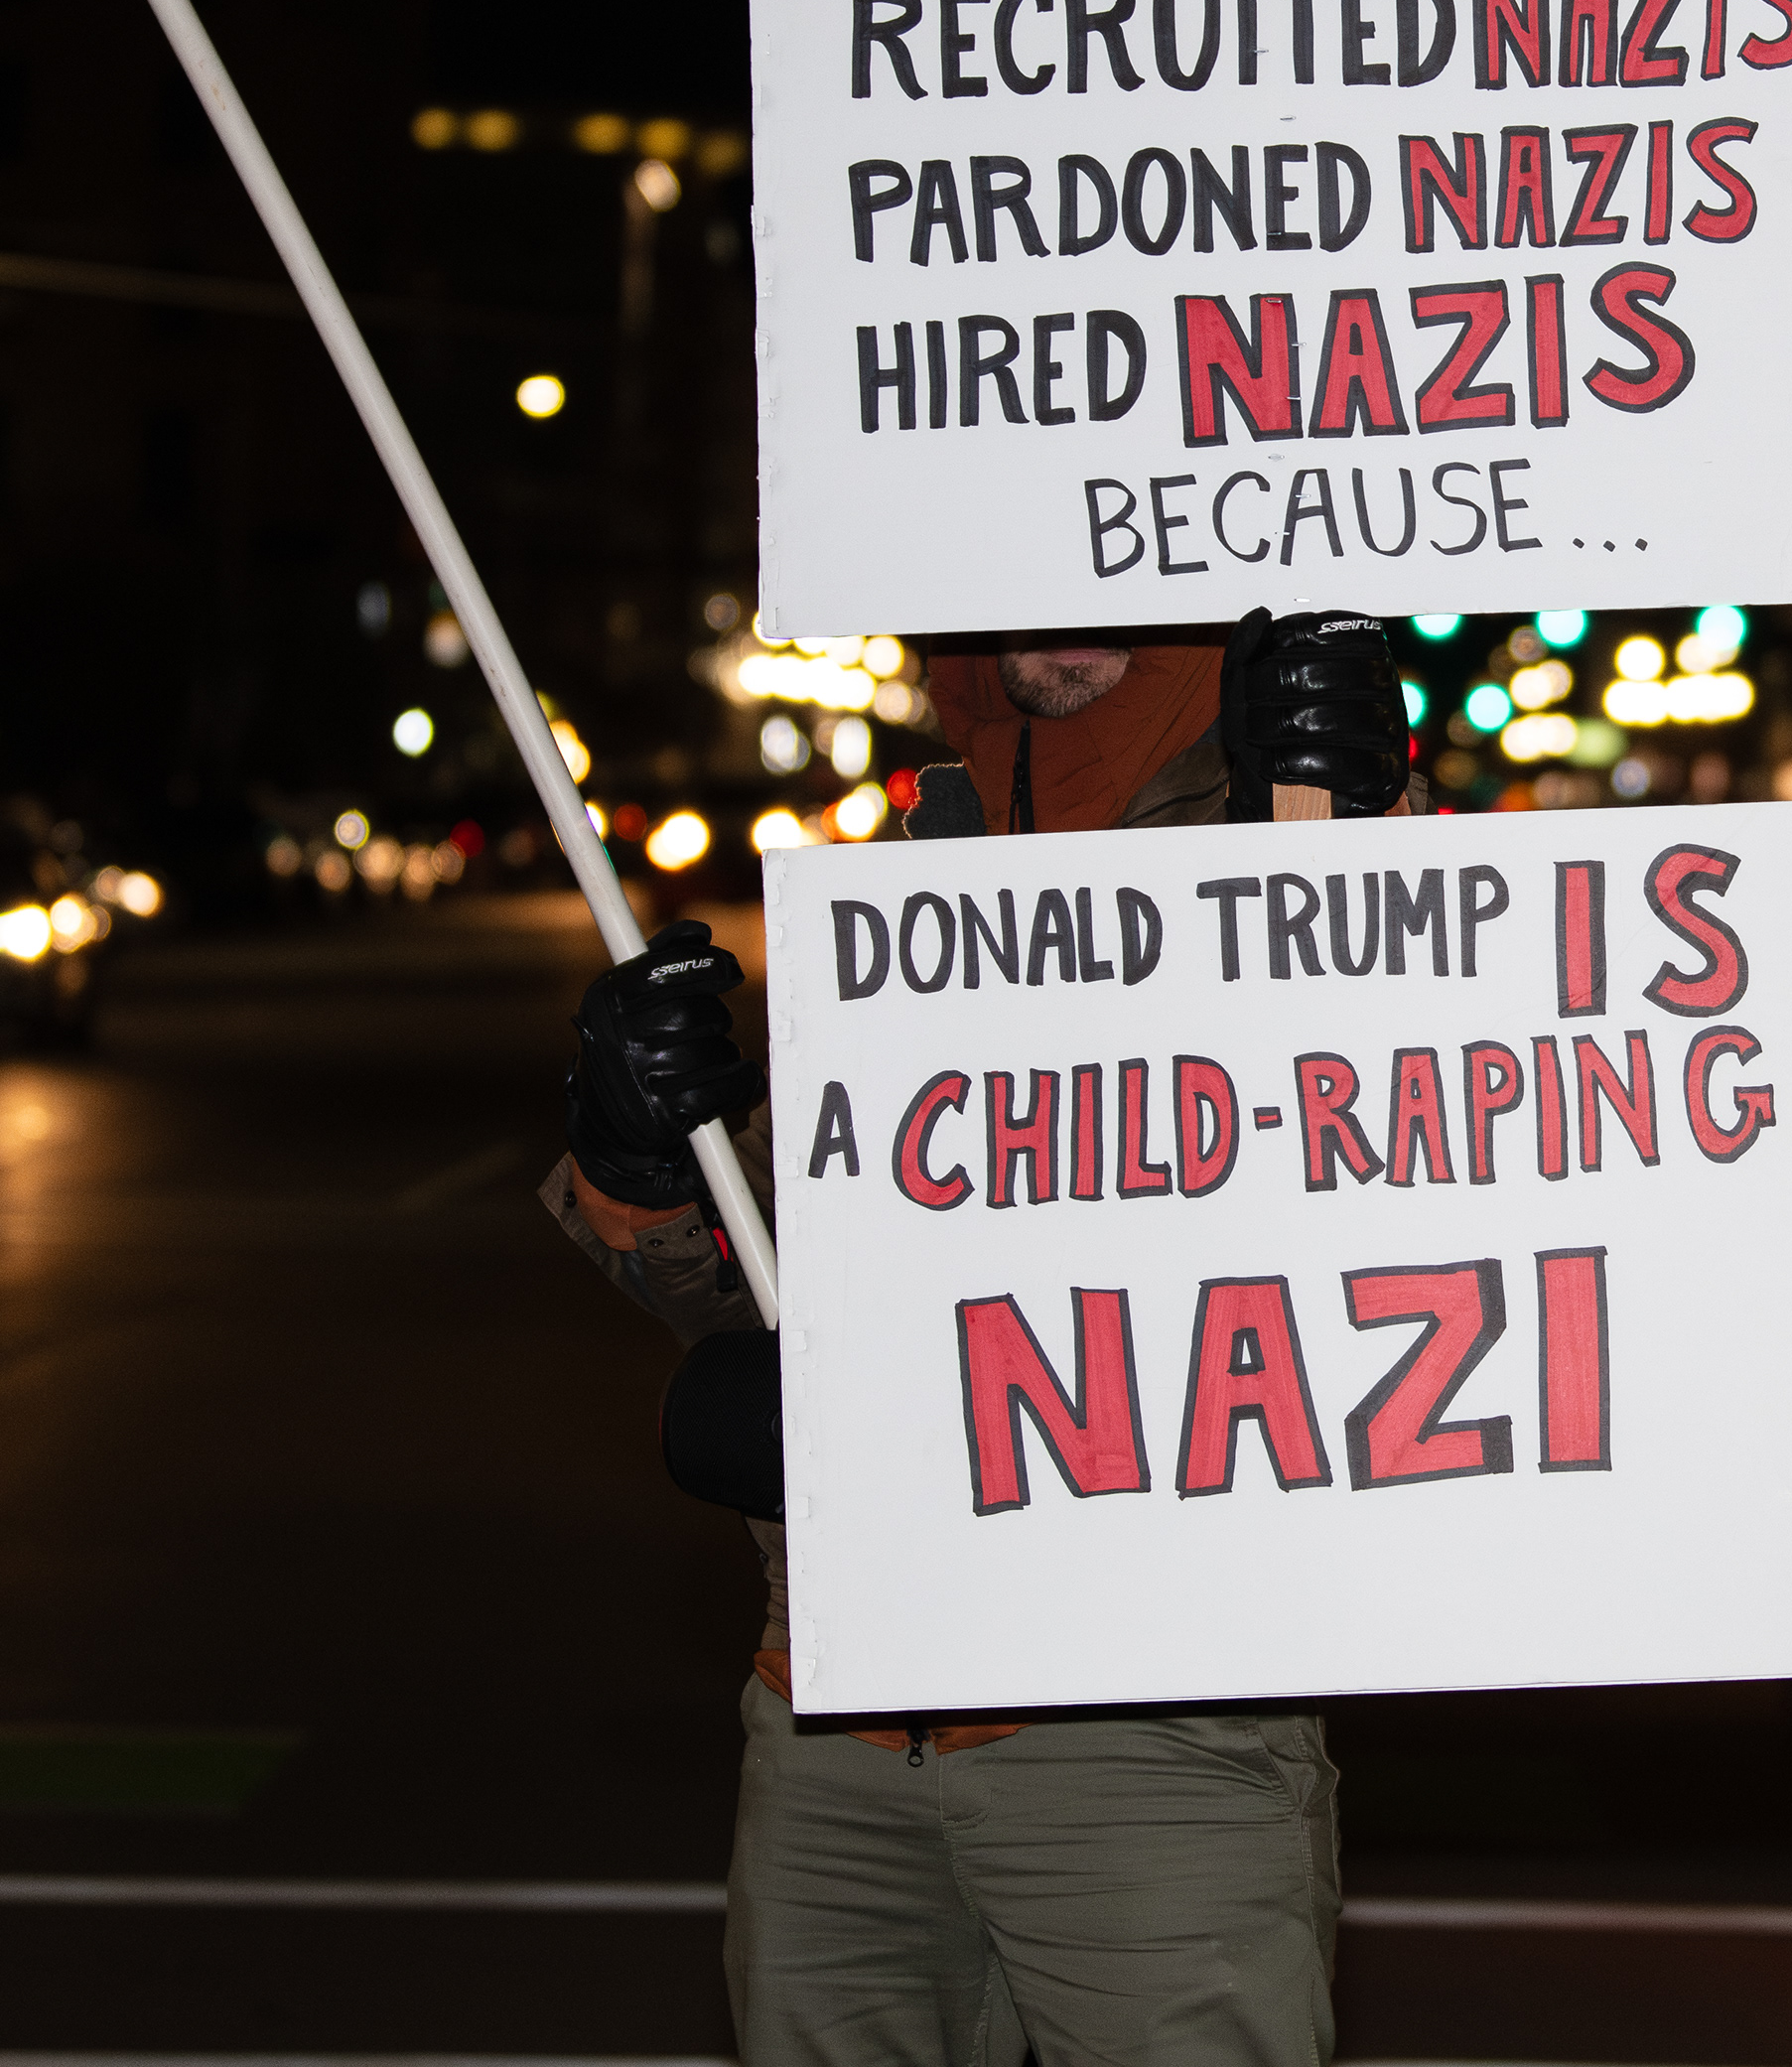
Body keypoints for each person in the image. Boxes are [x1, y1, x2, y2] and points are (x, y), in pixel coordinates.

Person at [543, 610, 1410, 2067]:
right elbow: (757, 1288)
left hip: (1151, 1728)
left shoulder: (1301, 828)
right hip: (825, 1717)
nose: (1057, 601)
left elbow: (1438, 1165)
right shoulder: (909, 875)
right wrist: (644, 1172)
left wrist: (1364, 834)